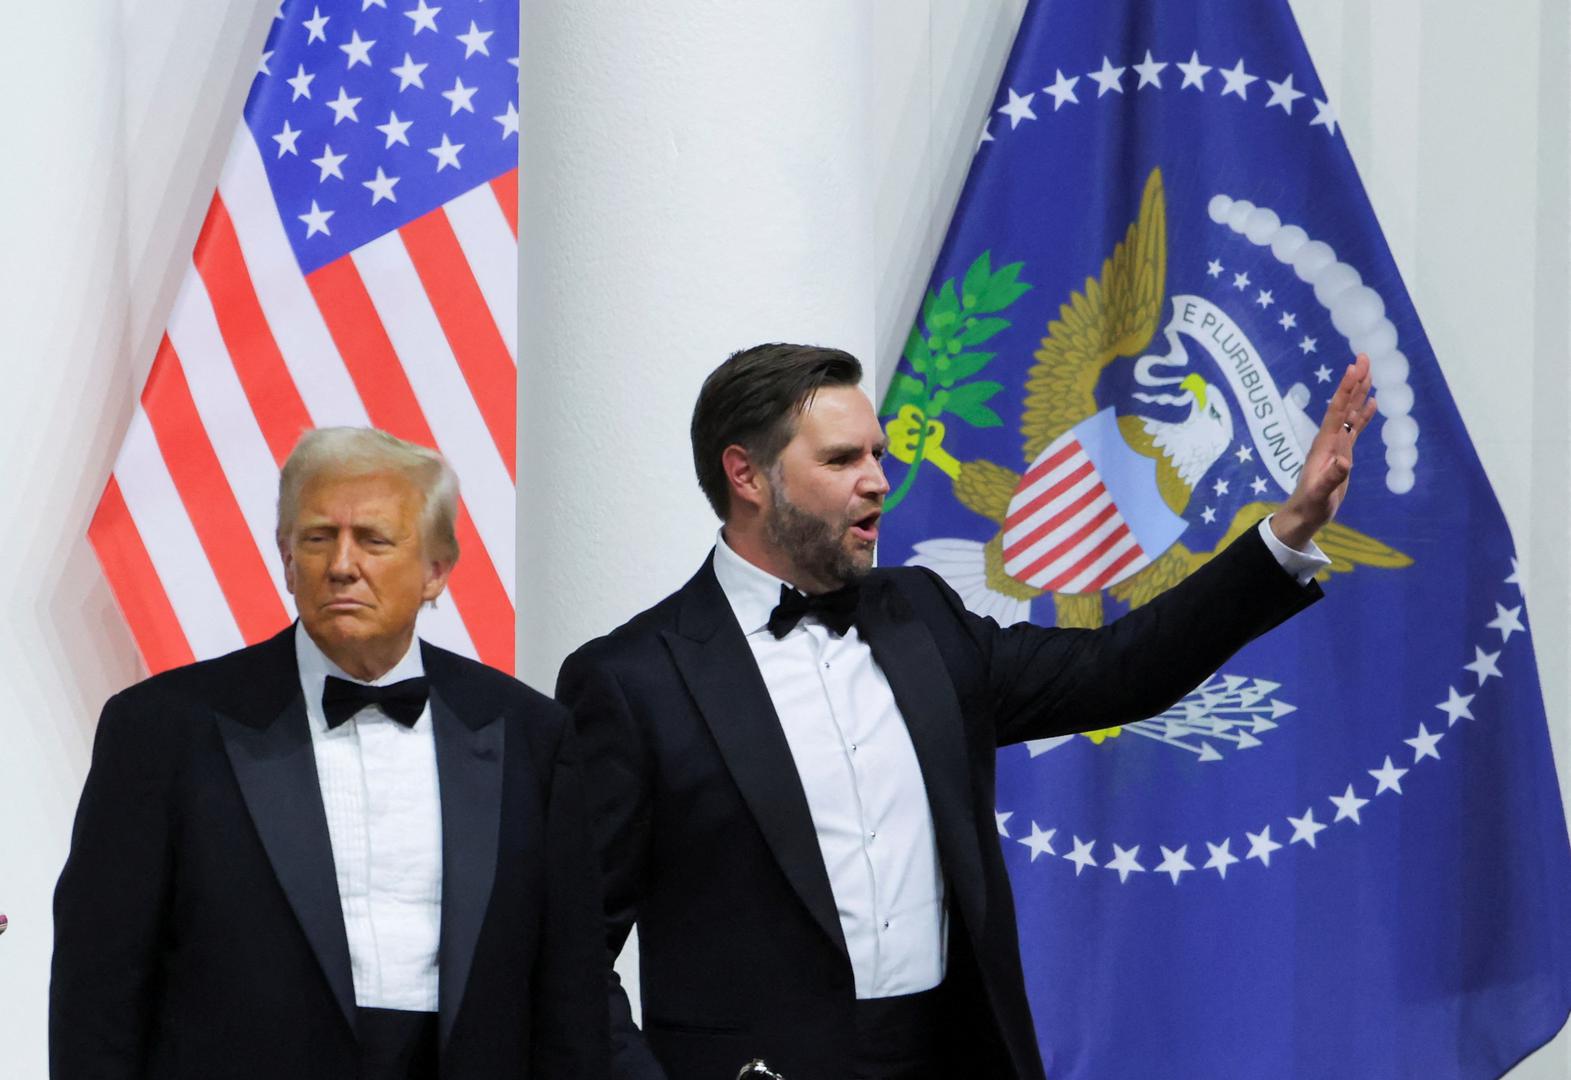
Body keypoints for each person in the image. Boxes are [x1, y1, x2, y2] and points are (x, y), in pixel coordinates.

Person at [557, 343, 1374, 1080]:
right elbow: (569, 949)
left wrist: (1287, 531)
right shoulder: (630, 680)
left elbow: (1118, 671)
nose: (878, 480)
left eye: (877, 454)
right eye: (841, 459)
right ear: (745, 476)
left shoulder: (920, 615)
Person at [51, 427, 609, 1080]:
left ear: (436, 571)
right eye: (318, 538)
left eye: (373, 540)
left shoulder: (529, 734)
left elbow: (571, 991)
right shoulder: (161, 729)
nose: (342, 565)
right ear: (287, 560)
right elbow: (98, 987)